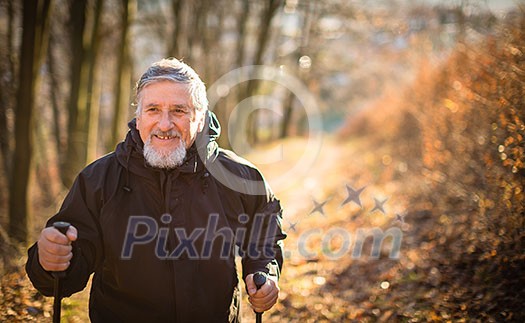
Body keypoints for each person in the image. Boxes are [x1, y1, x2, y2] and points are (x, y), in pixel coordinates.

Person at [26, 58, 286, 322]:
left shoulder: (240, 178)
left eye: (178, 111)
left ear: (200, 118)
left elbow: (263, 237)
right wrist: (49, 262)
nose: (164, 124)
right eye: (153, 110)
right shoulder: (98, 180)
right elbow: (62, 277)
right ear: (138, 118)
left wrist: (263, 273)